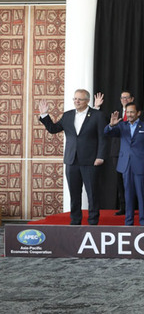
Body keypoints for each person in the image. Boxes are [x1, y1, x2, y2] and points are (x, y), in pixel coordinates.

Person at [38, 89, 107, 225]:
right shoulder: (68, 115)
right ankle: (75, 221)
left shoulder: (97, 115)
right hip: (71, 160)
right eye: (75, 99)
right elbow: (53, 129)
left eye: (80, 99)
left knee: (92, 194)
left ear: (87, 101)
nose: (76, 101)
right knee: (74, 194)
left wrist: (100, 156)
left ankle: (93, 222)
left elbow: (103, 138)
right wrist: (44, 115)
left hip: (91, 161)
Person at [104, 103, 144, 226]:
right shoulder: (121, 125)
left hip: (141, 166)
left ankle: (143, 223)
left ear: (138, 113)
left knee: (141, 195)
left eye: (132, 112)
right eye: (128, 112)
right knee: (128, 194)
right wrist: (111, 125)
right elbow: (107, 133)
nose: (130, 114)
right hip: (125, 165)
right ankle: (128, 223)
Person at [111, 90, 134, 216]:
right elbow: (108, 130)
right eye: (122, 98)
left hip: (131, 152)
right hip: (117, 151)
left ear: (132, 99)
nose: (124, 99)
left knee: (130, 180)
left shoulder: (137, 113)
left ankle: (132, 206)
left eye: (127, 97)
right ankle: (123, 207)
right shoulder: (116, 113)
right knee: (119, 181)